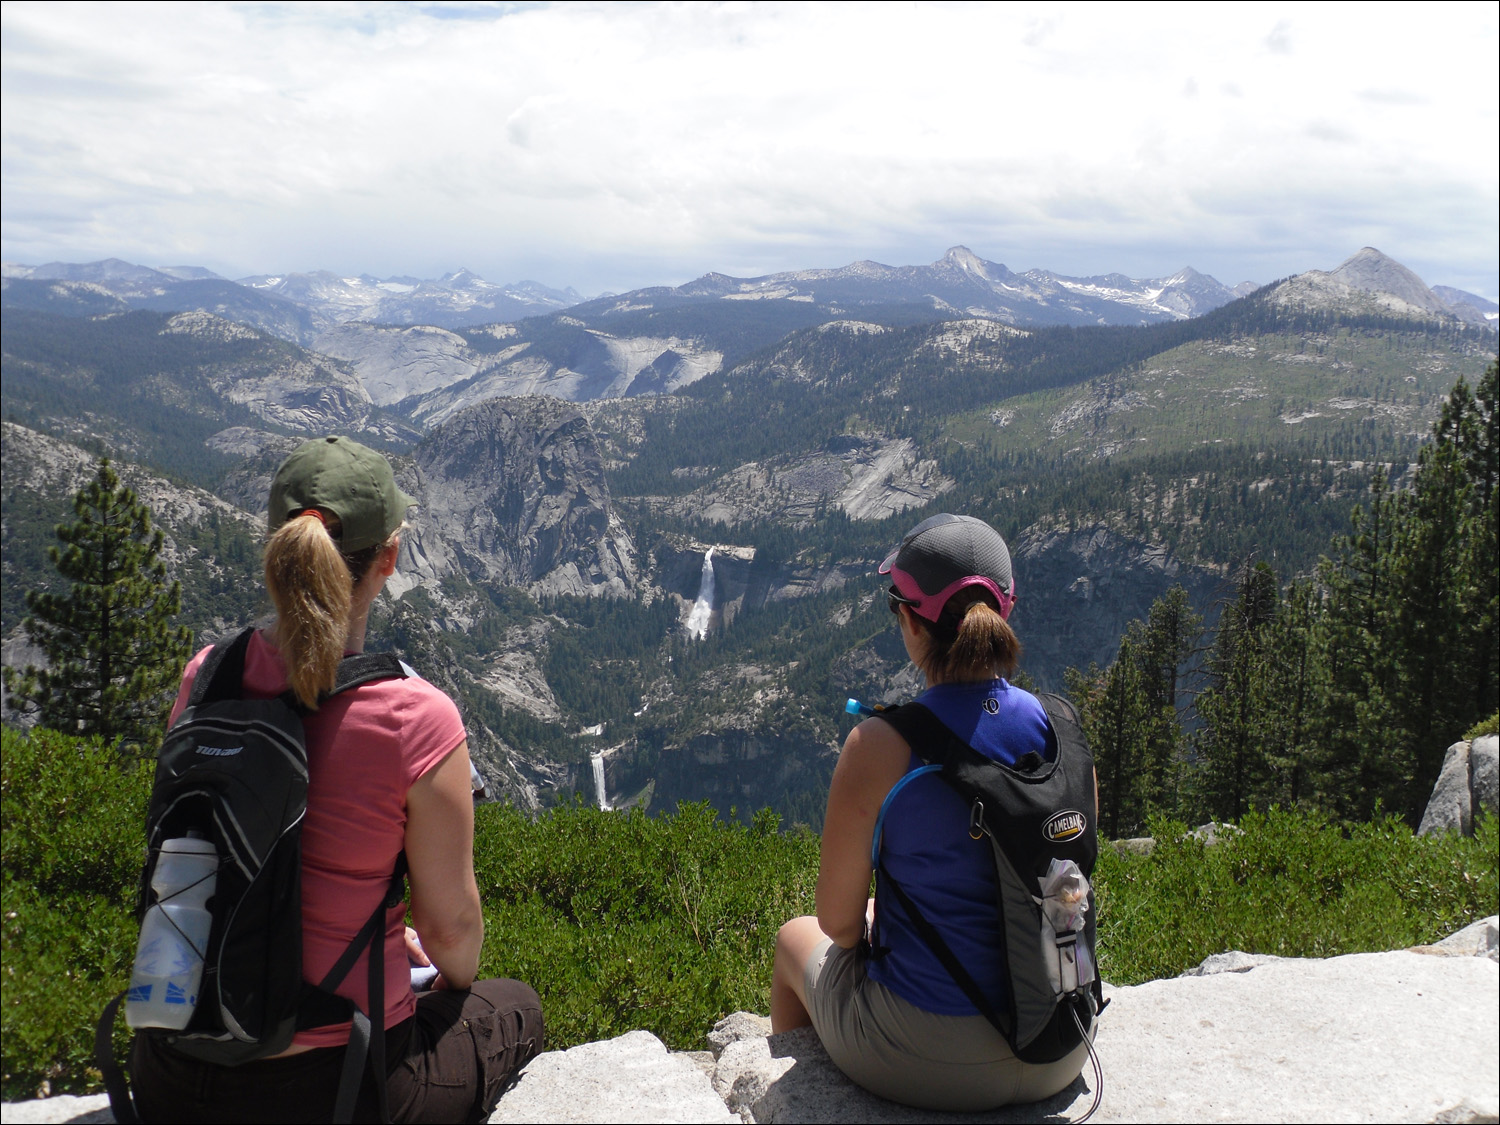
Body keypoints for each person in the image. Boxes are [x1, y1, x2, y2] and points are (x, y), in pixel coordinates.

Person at [130, 435, 543, 1123]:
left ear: (278, 550)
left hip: (171, 1075)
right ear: (391, 556)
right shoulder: (416, 717)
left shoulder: (205, 677)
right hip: (338, 1088)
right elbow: (452, 931)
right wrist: (442, 981)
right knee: (515, 1006)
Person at [770, 513, 1090, 1112]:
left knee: (795, 939)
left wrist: (876, 914)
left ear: (911, 623)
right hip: (1061, 1046)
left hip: (926, 1059)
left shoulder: (880, 746)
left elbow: (838, 928)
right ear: (1003, 615)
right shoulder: (1064, 733)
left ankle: (801, 1106)